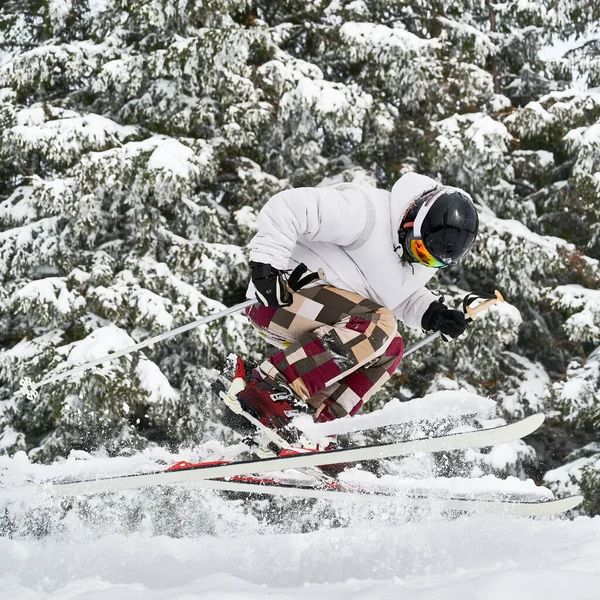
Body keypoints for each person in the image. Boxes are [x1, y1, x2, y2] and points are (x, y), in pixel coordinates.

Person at [235, 172, 479, 434]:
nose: (419, 260)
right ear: (410, 221)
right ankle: (269, 387)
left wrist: (434, 314)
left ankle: (317, 427)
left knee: (391, 348)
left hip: (330, 317)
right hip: (279, 298)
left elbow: (396, 296)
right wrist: (266, 266)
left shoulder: (418, 261)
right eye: (420, 250)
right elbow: (289, 207)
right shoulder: (366, 214)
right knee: (380, 324)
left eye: (433, 262)